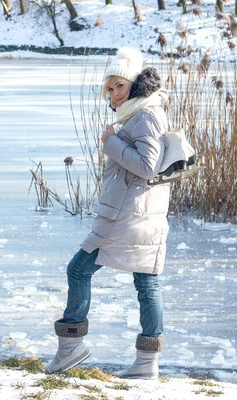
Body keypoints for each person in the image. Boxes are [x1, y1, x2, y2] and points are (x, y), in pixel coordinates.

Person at [46, 47, 170, 379]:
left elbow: (146, 166)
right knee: (147, 285)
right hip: (142, 214)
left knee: (77, 270)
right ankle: (147, 363)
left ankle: (71, 346)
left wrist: (111, 141)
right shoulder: (140, 112)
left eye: (120, 86)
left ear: (134, 85)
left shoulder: (146, 115)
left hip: (126, 217)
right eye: (110, 88)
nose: (114, 94)